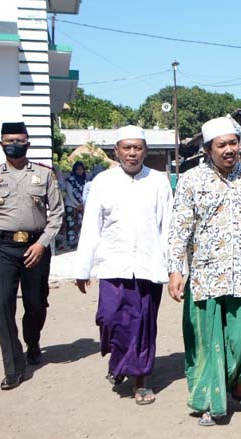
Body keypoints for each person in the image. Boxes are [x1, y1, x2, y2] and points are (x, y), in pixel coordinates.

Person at [167, 117, 241, 426]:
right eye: (221, 145)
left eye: (233, 143)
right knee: (207, 339)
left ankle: (240, 384)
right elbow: (179, 229)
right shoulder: (190, 180)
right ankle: (211, 399)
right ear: (207, 149)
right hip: (205, 275)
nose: (229, 150)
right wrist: (176, 270)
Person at [74, 125, 173, 405]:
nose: (132, 153)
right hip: (112, 265)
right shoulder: (102, 182)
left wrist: (173, 266)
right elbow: (91, 227)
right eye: (126, 148)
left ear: (145, 150)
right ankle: (119, 360)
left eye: (138, 147)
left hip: (149, 265)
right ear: (116, 150)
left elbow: (168, 227)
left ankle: (140, 379)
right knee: (108, 319)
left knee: (143, 324)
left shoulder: (158, 181)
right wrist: (83, 268)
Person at [0, 121, 65, 390]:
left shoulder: (45, 175)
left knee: (35, 303)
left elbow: (56, 213)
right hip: (2, 248)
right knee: (3, 307)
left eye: (20, 140)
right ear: (1, 144)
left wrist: (43, 243)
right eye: (10, 140)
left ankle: (32, 342)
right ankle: (13, 367)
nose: (15, 144)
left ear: (28, 143)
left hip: (35, 247)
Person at [63, 161, 87, 249]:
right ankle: (72, 243)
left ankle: (80, 243)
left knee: (81, 224)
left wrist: (82, 204)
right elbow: (70, 193)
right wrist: (77, 204)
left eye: (81, 169)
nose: (79, 171)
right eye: (78, 169)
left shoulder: (84, 180)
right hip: (71, 205)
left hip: (81, 205)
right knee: (71, 224)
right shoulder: (70, 180)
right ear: (74, 170)